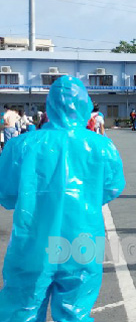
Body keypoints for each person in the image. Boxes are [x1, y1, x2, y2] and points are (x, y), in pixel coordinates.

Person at [0, 76, 125, 321]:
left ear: (49, 106)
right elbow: (112, 188)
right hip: (82, 239)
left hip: (32, 242)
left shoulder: (21, 146)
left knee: (21, 310)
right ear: (84, 106)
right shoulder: (101, 146)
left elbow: (7, 195)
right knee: (75, 311)